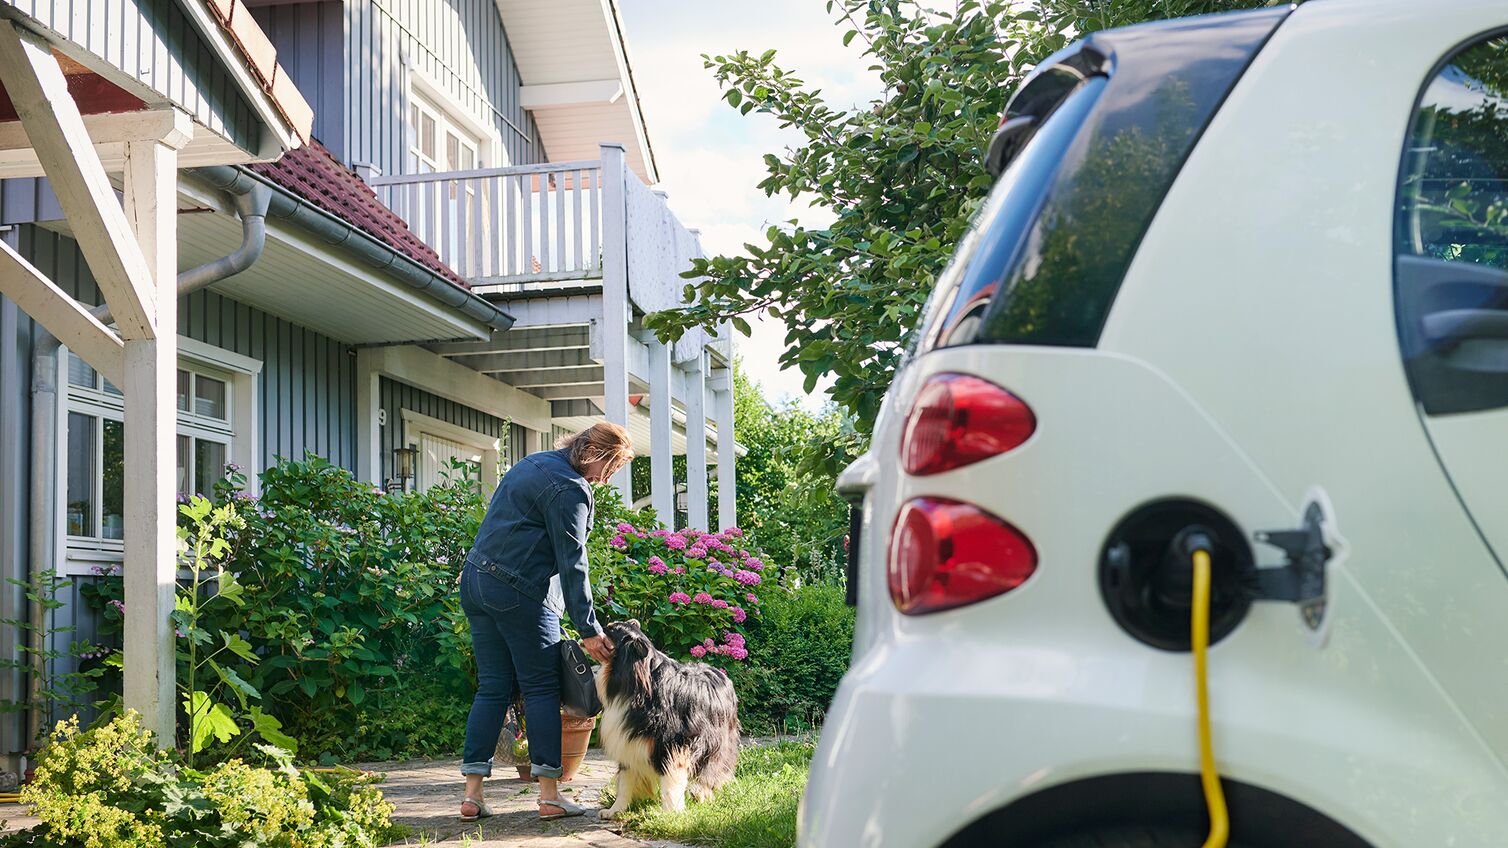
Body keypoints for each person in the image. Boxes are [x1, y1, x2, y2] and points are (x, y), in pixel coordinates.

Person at [458, 422, 632, 822]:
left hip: (475, 581)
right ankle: (551, 796)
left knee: (492, 688)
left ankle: (472, 795)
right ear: (597, 455)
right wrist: (589, 630)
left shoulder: (531, 463)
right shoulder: (571, 488)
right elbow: (573, 563)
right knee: (541, 689)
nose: (608, 477)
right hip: (517, 591)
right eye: (612, 467)